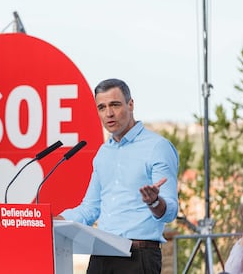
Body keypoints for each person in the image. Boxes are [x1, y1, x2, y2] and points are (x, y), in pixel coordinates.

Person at [54, 78, 179, 273]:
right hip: (101, 256)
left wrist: (154, 202)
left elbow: (170, 211)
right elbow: (89, 209)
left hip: (137, 258)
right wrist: (53, 221)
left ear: (131, 104)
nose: (109, 113)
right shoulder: (103, 153)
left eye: (115, 105)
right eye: (102, 107)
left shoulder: (157, 147)